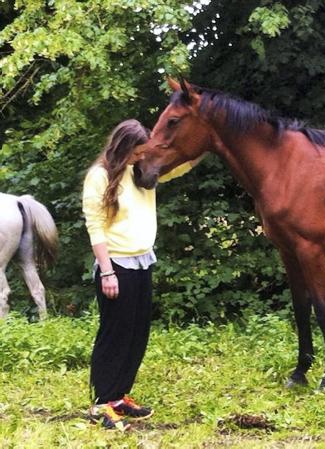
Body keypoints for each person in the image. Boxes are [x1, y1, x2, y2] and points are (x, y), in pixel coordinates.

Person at [82, 119, 195, 430]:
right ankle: (101, 403)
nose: (140, 157)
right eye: (136, 152)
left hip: (142, 262)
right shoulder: (99, 176)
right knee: (114, 335)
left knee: (136, 334)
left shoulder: (140, 173)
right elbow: (95, 227)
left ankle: (119, 397)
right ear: (123, 147)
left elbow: (176, 169)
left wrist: (202, 146)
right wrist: (107, 272)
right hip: (116, 266)